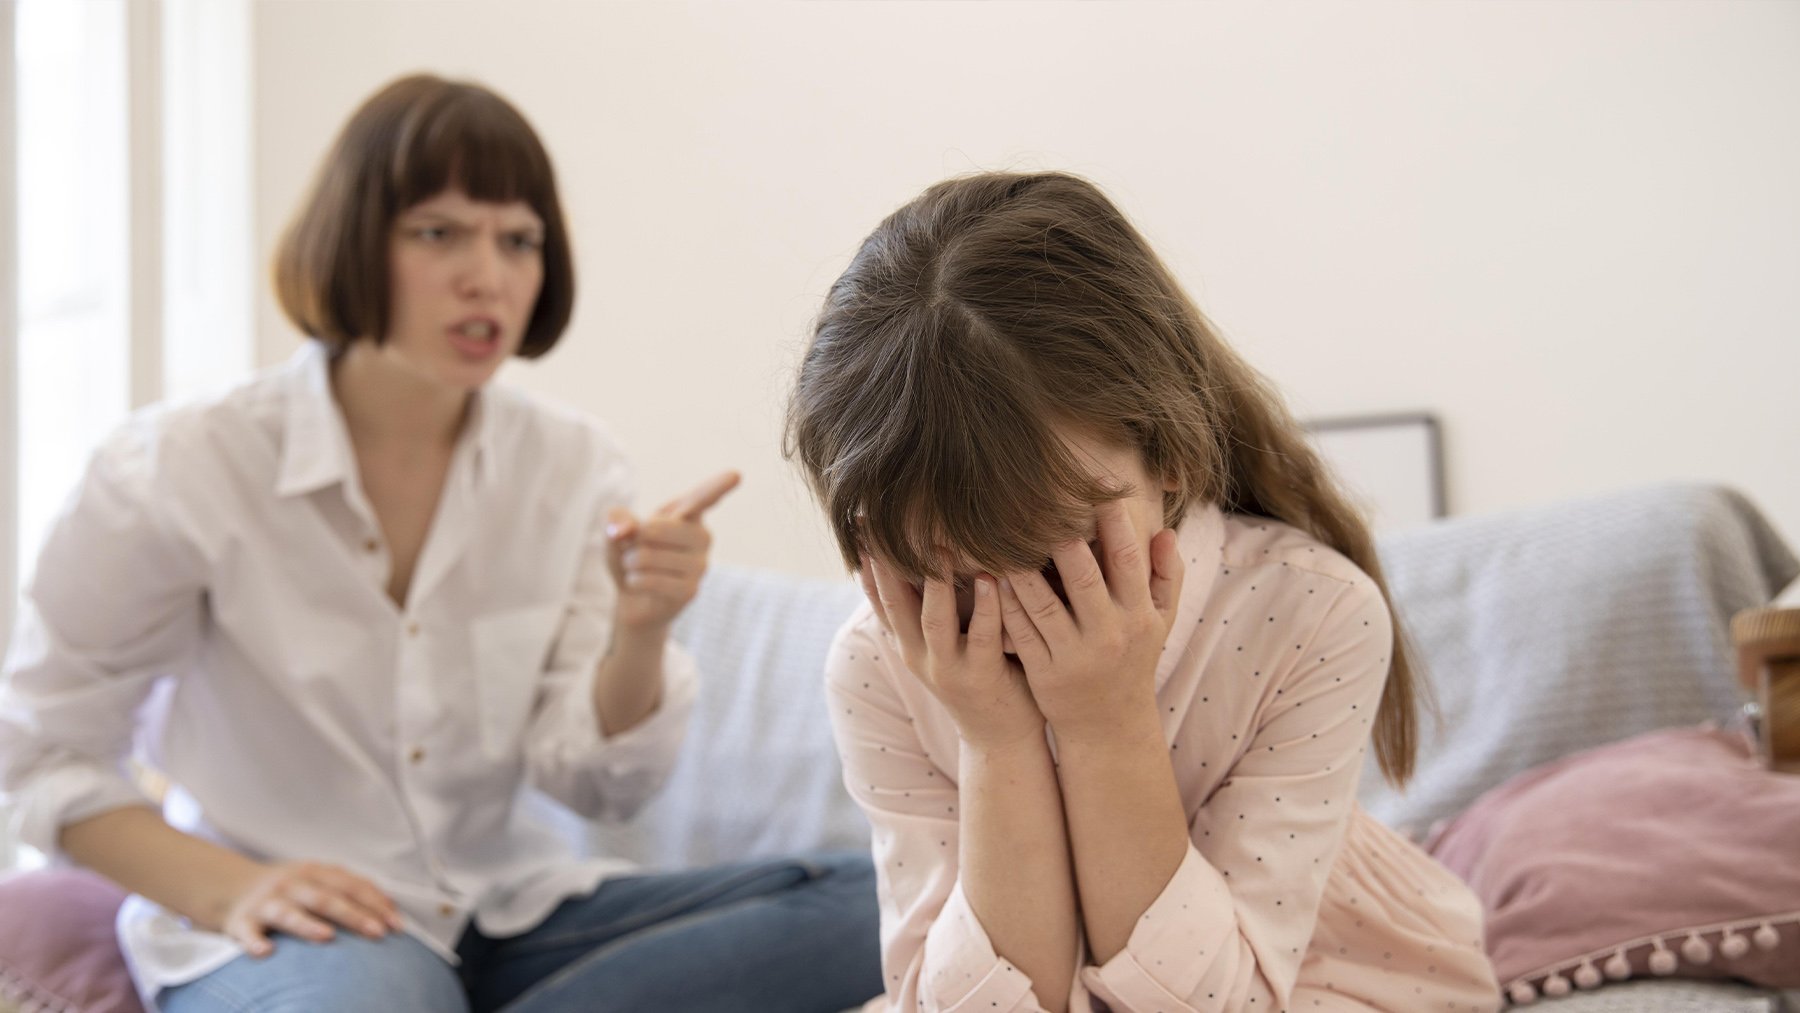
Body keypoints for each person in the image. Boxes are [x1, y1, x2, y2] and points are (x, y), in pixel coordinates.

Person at [0, 74, 879, 1013]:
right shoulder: (176, 469)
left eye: (518, 240)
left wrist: (642, 631)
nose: (487, 275)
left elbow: (594, 782)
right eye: (439, 232)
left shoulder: (572, 468)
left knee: (891, 902)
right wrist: (227, 886)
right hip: (300, 932)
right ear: (353, 241)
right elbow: (40, 756)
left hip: (504, 914)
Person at [784, 172, 1503, 1012]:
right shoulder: (880, 659)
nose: (1018, 604)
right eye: (950, 559)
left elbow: (1214, 1003)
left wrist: (1106, 721)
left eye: (1051, 547)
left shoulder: (1311, 612)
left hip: (1302, 976)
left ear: (1170, 454)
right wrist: (997, 743)